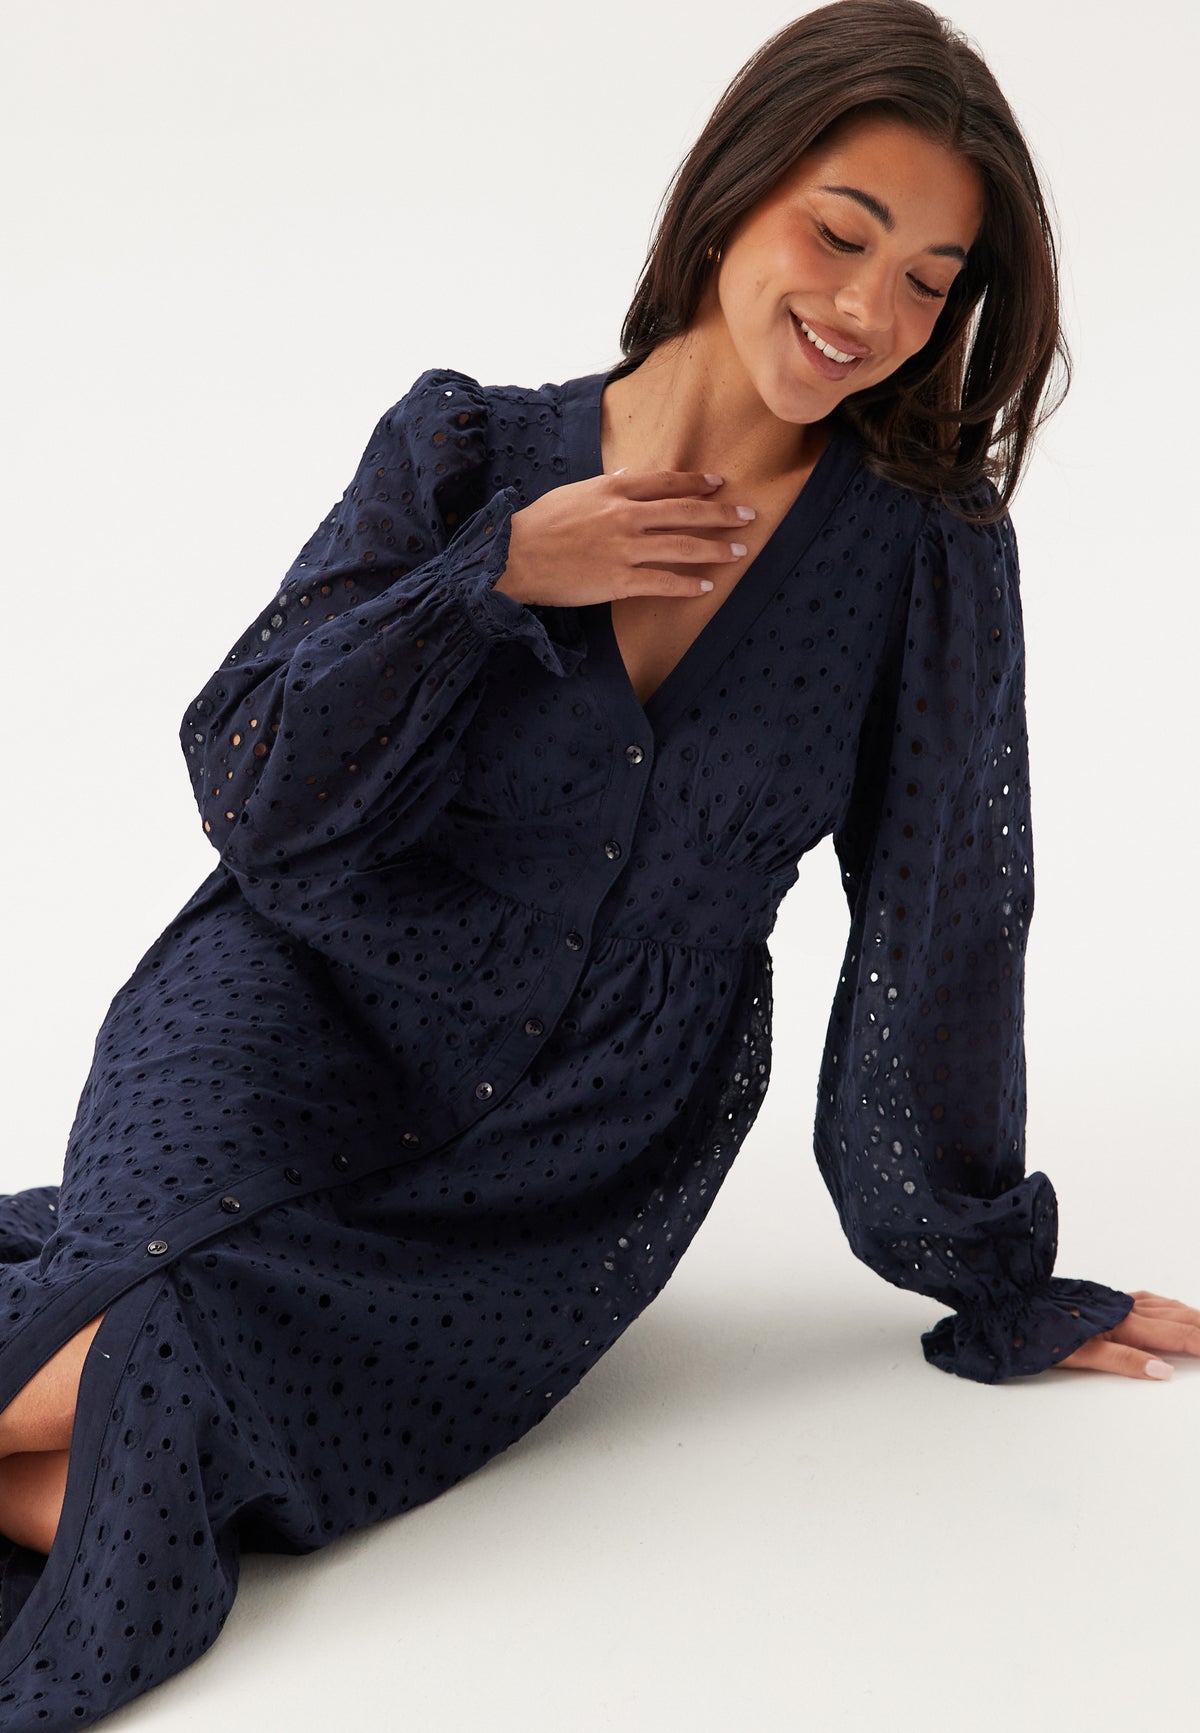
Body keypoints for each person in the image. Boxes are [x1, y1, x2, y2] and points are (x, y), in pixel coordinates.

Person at [1, 0, 1197, 1723]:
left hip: (566, 1160)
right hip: (289, 1016)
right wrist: (485, 578)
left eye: (930, 281)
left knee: (162, 1378)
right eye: (840, 233)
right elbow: (249, 776)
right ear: (731, 196)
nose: (870, 310)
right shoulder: (467, 453)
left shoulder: (919, 554)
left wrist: (990, 1264)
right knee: (135, 1350)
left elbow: (945, 916)